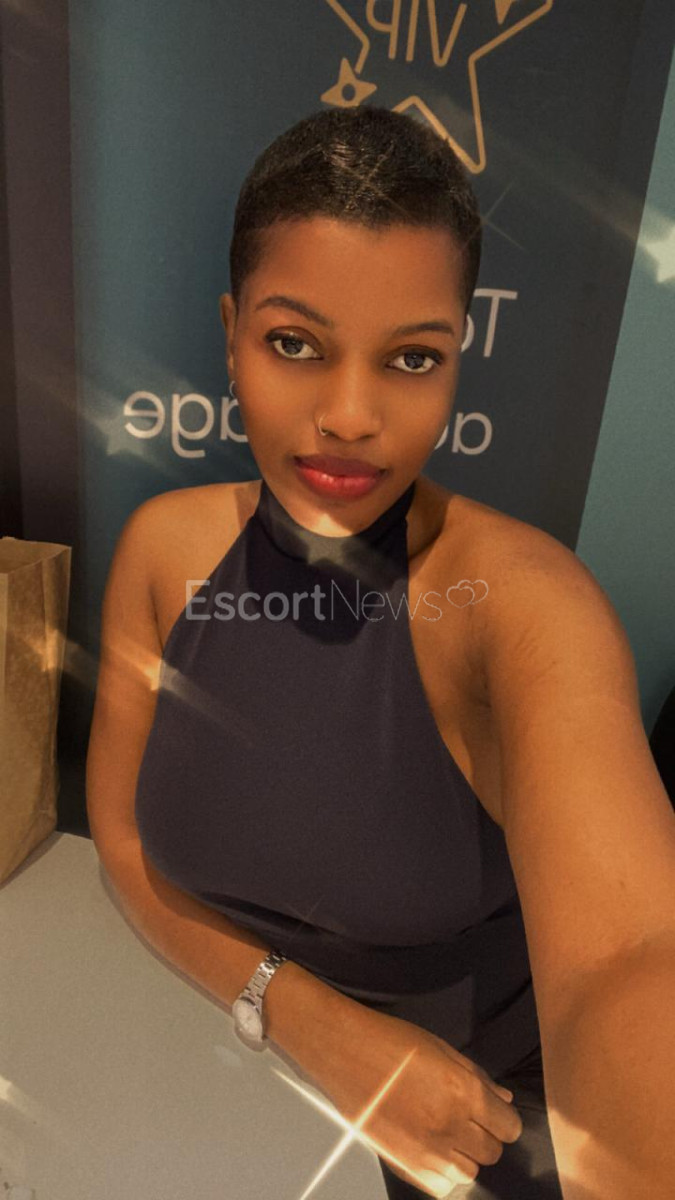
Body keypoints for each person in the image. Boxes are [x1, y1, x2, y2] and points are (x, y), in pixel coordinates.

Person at [86, 106, 675, 1199]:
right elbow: (121, 839)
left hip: (473, 1134)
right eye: (294, 344)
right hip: (221, 1089)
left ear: (457, 359)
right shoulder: (163, 553)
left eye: (411, 358)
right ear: (231, 334)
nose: (350, 414)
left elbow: (630, 958)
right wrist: (306, 1019)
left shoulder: (521, 605)